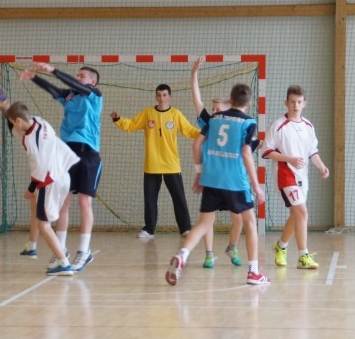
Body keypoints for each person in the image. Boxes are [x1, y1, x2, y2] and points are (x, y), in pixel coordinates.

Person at [165, 83, 268, 287]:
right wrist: (256, 185)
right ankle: (254, 272)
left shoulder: (215, 119)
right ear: (249, 102)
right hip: (235, 181)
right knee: (249, 222)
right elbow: (246, 153)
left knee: (203, 224)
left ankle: (183, 255)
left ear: (230, 99)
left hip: (211, 178)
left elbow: (196, 143)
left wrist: (199, 172)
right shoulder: (248, 122)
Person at [19, 63, 103, 270]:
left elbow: (74, 84)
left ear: (92, 81)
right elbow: (54, 90)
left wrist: (53, 70)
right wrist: (34, 77)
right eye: (77, 75)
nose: (78, 78)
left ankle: (84, 251)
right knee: (63, 203)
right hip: (66, 154)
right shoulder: (69, 96)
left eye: (82, 75)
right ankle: (61, 250)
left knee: (84, 202)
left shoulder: (94, 95)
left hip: (88, 154)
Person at [110, 84, 201, 240]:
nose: (161, 98)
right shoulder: (148, 113)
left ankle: (185, 228)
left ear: (170, 97)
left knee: (179, 198)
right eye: (159, 95)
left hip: (171, 165)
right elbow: (131, 124)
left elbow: (189, 130)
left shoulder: (175, 114)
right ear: (155, 97)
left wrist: (205, 133)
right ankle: (149, 230)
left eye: (164, 95)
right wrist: (118, 119)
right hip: (152, 165)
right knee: (150, 199)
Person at [3, 101, 81, 275]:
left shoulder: (32, 143)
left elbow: (40, 172)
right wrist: (6, 109)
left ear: (18, 121)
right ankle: (42, 248)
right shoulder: (39, 121)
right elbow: (17, 122)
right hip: (64, 175)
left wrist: (31, 189)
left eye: (13, 122)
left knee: (44, 224)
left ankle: (64, 263)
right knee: (42, 215)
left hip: (50, 181)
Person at [261, 85, 329, 269]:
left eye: (299, 102)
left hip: (302, 176)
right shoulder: (278, 125)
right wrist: (289, 158)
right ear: (286, 103)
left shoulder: (308, 126)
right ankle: (303, 256)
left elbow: (312, 152)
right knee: (302, 212)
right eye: (292, 102)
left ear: (304, 104)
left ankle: (281, 246)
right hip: (285, 174)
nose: (295, 105)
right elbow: (266, 151)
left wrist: (322, 166)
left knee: (296, 214)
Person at [190, 58, 248, 268]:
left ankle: (232, 247)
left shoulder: (234, 123)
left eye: (217, 108)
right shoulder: (209, 121)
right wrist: (194, 74)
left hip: (230, 177)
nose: (214, 111)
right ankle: (209, 254)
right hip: (212, 176)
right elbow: (197, 99)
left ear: (228, 108)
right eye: (213, 108)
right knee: (208, 220)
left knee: (238, 218)